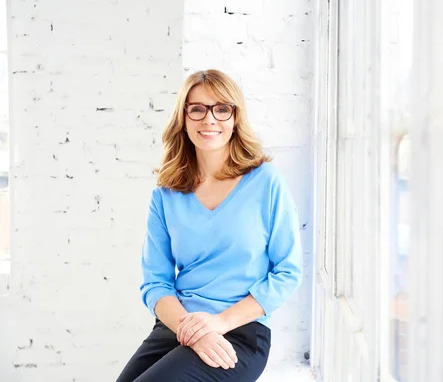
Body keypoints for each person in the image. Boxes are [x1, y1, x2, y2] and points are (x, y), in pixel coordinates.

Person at [115, 69, 303, 382]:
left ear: (234, 118)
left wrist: (218, 324)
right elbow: (155, 282)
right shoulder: (166, 193)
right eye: (197, 109)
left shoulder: (266, 182)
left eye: (221, 109)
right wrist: (194, 330)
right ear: (183, 117)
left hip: (240, 332)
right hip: (178, 326)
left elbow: (288, 271)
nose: (209, 119)